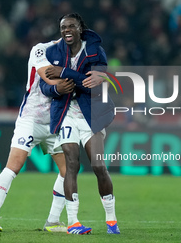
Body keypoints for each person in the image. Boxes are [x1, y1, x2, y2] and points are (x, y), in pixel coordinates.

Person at [0, 40, 75, 232]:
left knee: (69, 170)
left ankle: (53, 221)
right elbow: (49, 78)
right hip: (31, 119)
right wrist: (78, 81)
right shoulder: (41, 49)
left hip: (55, 121)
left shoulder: (74, 57)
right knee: (14, 166)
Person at [40, 13, 120, 234]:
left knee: (98, 166)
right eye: (63, 27)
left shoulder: (95, 51)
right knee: (71, 166)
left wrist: (65, 73)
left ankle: (111, 220)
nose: (66, 30)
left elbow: (93, 87)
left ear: (80, 28)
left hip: (90, 115)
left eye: (71, 26)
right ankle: (73, 222)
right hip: (66, 114)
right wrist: (56, 88)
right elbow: (44, 86)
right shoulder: (53, 52)